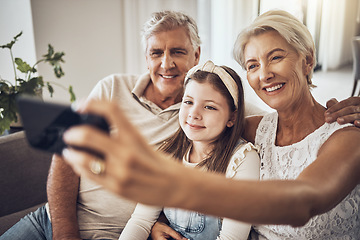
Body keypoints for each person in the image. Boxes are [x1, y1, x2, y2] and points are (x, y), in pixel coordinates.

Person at [60, 10, 360, 240]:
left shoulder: (346, 137)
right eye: (252, 65)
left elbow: (302, 203)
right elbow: (206, 127)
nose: (264, 74)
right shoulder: (257, 128)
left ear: (308, 60)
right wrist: (157, 215)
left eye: (276, 57)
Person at [119, 60, 260, 240]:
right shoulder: (167, 155)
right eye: (188, 102)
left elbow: (232, 238)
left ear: (232, 117)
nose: (194, 113)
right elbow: (141, 221)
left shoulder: (243, 159)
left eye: (209, 107)